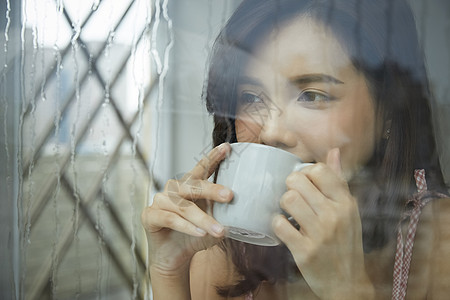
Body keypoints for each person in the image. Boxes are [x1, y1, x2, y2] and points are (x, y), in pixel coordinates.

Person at [141, 0, 450, 298]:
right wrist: (168, 274)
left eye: (312, 96)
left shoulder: (440, 242)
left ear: (388, 112)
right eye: (252, 97)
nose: (273, 132)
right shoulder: (220, 251)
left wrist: (348, 289)